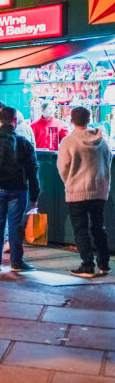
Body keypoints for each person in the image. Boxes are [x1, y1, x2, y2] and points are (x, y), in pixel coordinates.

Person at [0, 106, 40, 272]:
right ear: (15, 121)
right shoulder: (23, 143)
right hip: (17, 189)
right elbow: (33, 171)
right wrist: (34, 196)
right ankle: (16, 261)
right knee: (15, 224)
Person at [58, 106, 111, 278]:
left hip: (77, 191)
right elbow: (108, 161)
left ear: (71, 120)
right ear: (89, 119)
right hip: (99, 191)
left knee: (81, 230)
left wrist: (70, 182)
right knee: (98, 227)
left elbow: (62, 167)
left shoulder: (68, 142)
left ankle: (87, 265)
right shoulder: (102, 141)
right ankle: (104, 264)